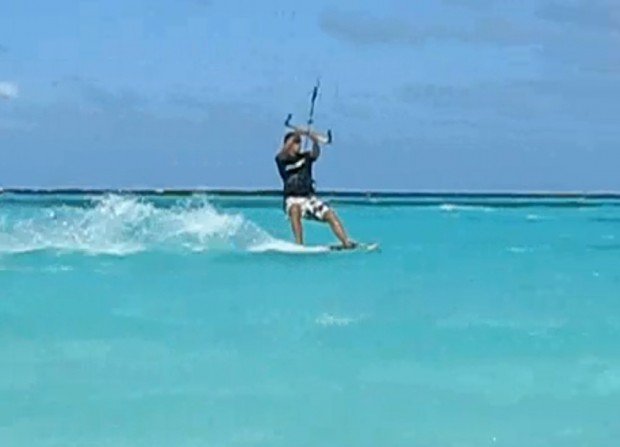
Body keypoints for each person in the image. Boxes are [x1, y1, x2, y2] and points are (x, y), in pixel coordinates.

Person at [275, 129, 356, 248]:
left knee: (330, 214)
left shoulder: (306, 157)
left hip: (309, 198)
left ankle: (346, 242)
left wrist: (314, 140)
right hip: (292, 199)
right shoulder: (281, 160)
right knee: (295, 210)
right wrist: (297, 134)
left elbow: (315, 154)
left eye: (299, 142)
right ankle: (299, 244)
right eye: (295, 142)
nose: (298, 144)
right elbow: (283, 152)